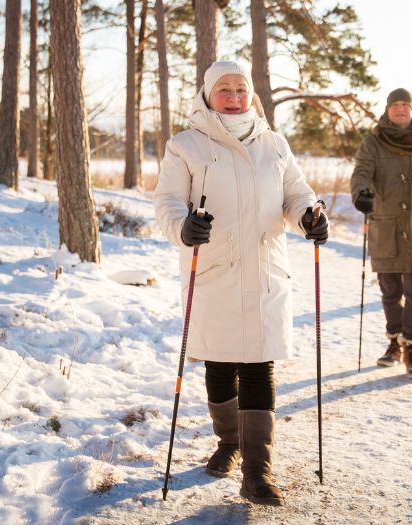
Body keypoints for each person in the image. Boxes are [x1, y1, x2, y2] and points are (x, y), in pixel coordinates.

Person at [153, 60, 327, 506]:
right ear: (208, 95)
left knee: (258, 365)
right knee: (219, 364)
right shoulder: (185, 145)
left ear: (252, 94)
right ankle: (228, 442)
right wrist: (183, 227)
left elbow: (296, 194)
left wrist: (309, 216)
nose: (233, 96)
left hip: (267, 270)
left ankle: (257, 471)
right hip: (213, 270)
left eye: (241, 88)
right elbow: (168, 202)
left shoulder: (274, 144)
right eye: (224, 89)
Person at [349, 88, 412, 381]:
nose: (399, 109)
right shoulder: (373, 142)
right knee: (391, 292)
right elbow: (361, 172)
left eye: (404, 105)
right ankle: (394, 342)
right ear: (387, 109)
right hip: (387, 228)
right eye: (394, 105)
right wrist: (362, 194)